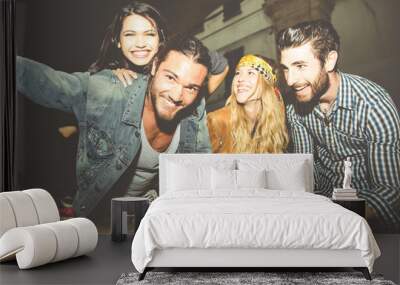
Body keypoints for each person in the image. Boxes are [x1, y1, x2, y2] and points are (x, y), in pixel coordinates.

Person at [16, 36, 212, 218]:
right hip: (97, 217)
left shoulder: (195, 108)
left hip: (150, 217)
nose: (177, 95)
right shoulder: (111, 91)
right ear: (154, 66)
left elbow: (200, 168)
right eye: (171, 77)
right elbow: (52, 83)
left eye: (191, 87)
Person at [277, 19, 400, 231]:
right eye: (286, 69)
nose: (290, 80)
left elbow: (389, 191)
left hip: (371, 219)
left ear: (329, 60)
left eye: (300, 66)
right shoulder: (295, 108)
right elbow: (307, 175)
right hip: (320, 209)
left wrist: (334, 218)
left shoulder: (373, 105)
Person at [207, 54, 288, 153]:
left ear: (267, 84)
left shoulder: (276, 119)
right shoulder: (217, 121)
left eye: (250, 73)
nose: (240, 79)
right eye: (237, 73)